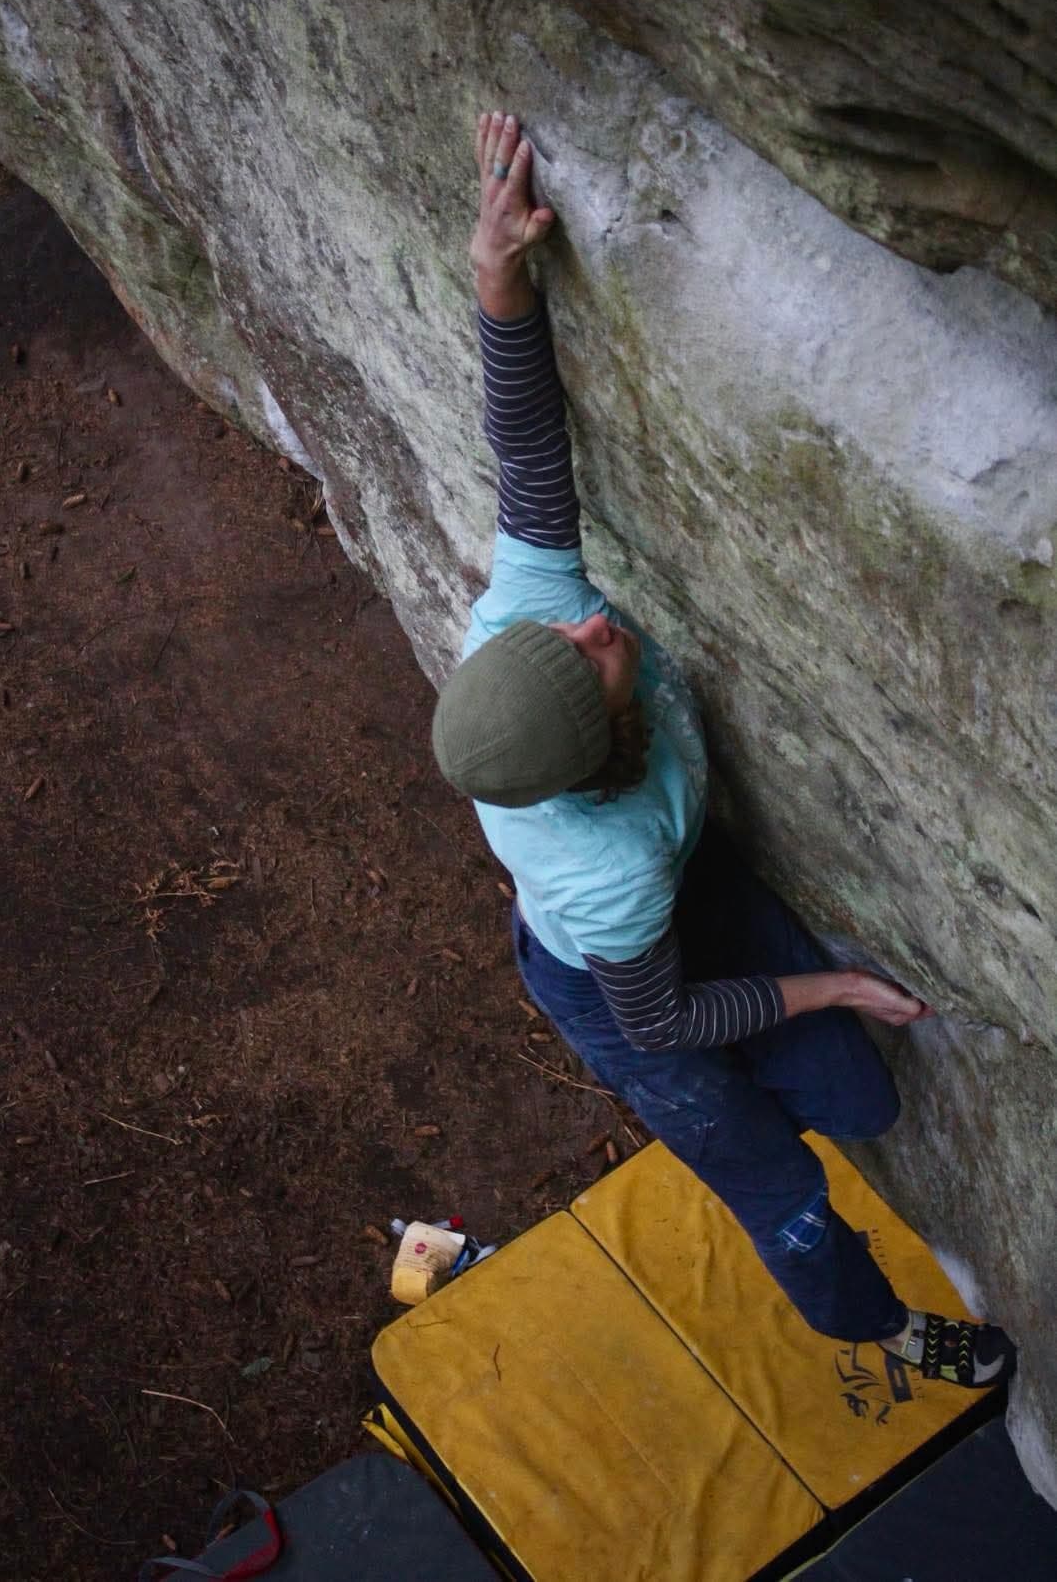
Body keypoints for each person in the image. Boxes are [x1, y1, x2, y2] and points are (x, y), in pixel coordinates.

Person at [431, 109, 1015, 1391]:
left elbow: (529, 460)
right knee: (776, 1176)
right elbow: (672, 1014)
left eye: (570, 635)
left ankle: (817, 1074)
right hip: (624, 993)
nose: (593, 623)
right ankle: (884, 1330)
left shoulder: (521, 632)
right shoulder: (608, 866)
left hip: (672, 902)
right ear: (603, 753)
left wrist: (498, 273)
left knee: (864, 1102)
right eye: (590, 652)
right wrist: (842, 988)